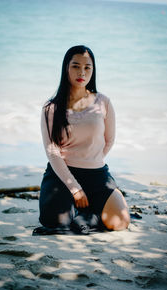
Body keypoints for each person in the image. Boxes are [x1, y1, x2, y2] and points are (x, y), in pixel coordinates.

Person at [34, 45, 130, 235]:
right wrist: (75, 188)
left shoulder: (103, 102)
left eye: (88, 67)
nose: (82, 72)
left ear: (93, 71)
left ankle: (87, 217)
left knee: (120, 222)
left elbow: (109, 140)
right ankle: (80, 212)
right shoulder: (51, 107)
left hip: (97, 175)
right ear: (66, 68)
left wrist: (91, 159)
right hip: (61, 175)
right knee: (55, 221)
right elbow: (52, 151)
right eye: (76, 66)